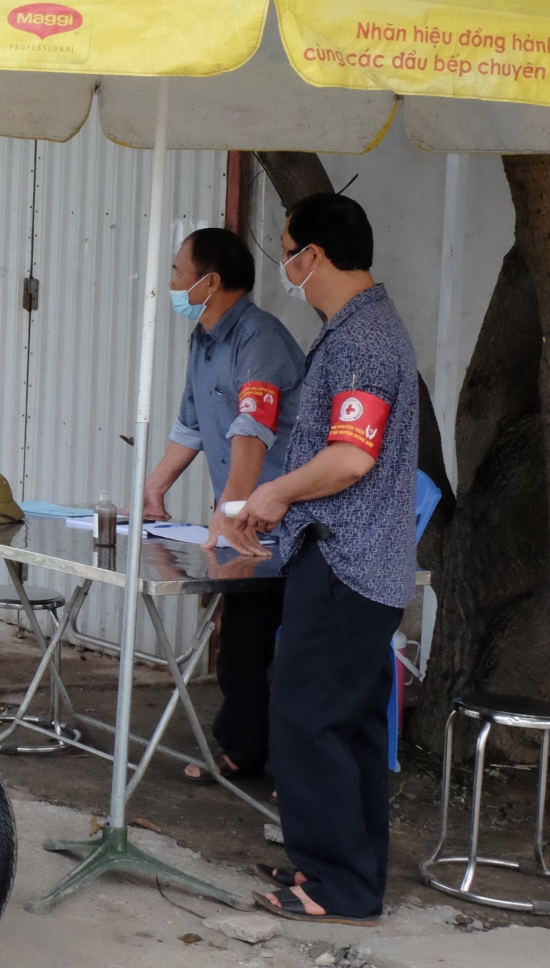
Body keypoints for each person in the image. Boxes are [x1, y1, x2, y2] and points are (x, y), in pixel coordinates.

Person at [225, 194, 416, 927]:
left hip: (347, 565)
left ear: (316, 255)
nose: (285, 265)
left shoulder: (365, 340)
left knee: (307, 721)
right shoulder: (356, 330)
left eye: (287, 250)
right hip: (357, 562)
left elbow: (349, 456)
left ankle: (338, 885)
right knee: (352, 726)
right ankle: (342, 868)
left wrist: (273, 492)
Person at [140, 227, 304, 786]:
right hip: (246, 523)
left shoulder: (259, 339)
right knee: (238, 643)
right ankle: (245, 749)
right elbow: (191, 422)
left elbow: (253, 429)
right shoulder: (203, 340)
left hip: (285, 525)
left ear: (210, 282)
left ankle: (262, 758)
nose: (171, 283)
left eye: (178, 272)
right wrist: (156, 487)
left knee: (259, 645)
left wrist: (232, 507)